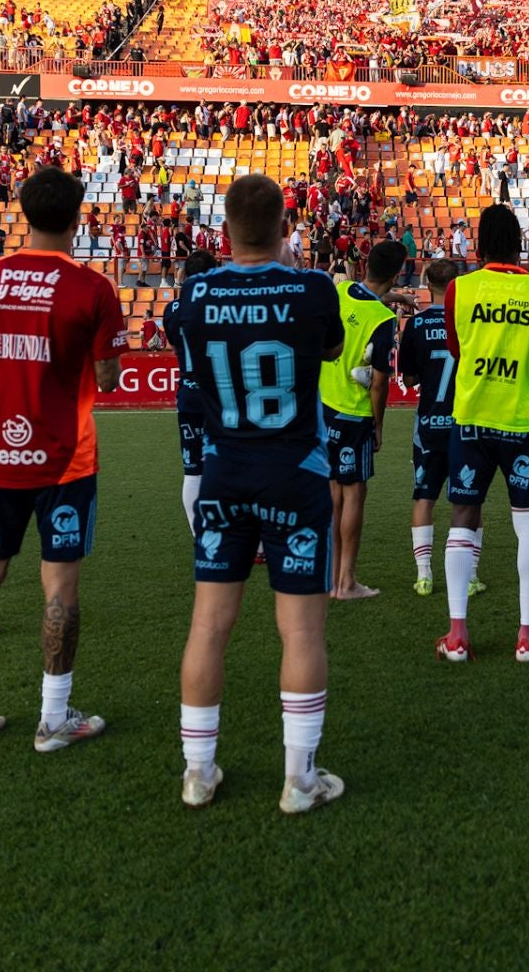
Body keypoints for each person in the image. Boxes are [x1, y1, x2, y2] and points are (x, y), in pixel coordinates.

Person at [171, 173, 347, 812]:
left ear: (223, 229)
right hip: (294, 472)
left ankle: (197, 772)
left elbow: (189, 355)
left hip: (223, 470)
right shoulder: (312, 287)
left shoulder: (194, 291)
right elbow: (330, 348)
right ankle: (298, 780)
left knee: (209, 625)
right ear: (283, 228)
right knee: (300, 633)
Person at [0, 168, 127, 753]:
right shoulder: (92, 288)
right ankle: (53, 718)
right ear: (78, 216)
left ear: (23, 213)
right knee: (60, 585)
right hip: (65, 460)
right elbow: (108, 375)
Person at [436, 204, 529, 664]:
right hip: (521, 421)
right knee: (528, 524)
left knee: (463, 517)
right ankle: (527, 636)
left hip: (470, 417)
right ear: (518, 243)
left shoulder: (459, 289)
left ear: (481, 244)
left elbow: (456, 346)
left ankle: (456, 636)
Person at [320, 241, 404, 601]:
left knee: (334, 494)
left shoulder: (340, 290)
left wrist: (394, 298)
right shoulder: (384, 321)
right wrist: (379, 425)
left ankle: (332, 578)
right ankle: (347, 582)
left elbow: (357, 311)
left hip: (324, 406)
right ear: (398, 273)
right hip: (354, 414)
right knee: (355, 493)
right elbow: (380, 382)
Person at [398, 259, 485, 598]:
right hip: (466, 424)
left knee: (424, 496)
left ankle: (424, 575)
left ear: (425, 281)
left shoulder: (416, 326)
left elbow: (408, 378)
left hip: (430, 423)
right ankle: (471, 576)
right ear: (458, 284)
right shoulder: (470, 323)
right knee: (470, 500)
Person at [164, 249, 220, 534]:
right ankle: (251, 541)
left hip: (188, 391)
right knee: (229, 464)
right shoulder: (222, 305)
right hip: (220, 393)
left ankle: (200, 535)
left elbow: (175, 346)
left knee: (193, 468)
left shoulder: (172, 309)